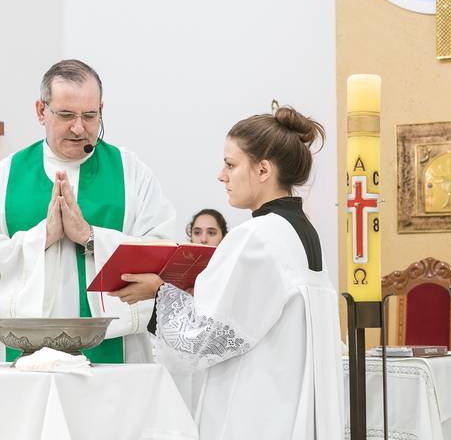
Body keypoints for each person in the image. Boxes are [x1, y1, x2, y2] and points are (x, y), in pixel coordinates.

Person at [113, 107, 344, 439]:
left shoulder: (257, 237)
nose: (221, 175)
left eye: (231, 164)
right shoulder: (301, 231)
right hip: (289, 410)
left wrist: (159, 291)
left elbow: (203, 340)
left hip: (258, 415)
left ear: (263, 169)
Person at [0, 59, 175, 363]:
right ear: (41, 111)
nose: (79, 128)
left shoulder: (132, 174)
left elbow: (162, 253)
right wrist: (43, 238)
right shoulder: (3, 177)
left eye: (90, 116)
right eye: (66, 115)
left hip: (115, 357)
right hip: (26, 357)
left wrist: (91, 238)